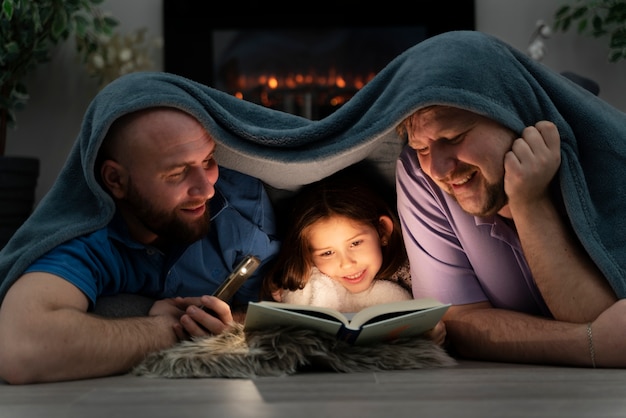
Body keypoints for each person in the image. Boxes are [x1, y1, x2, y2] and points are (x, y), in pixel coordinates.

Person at [0, 104, 281, 384]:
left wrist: (234, 321)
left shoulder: (242, 206)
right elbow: (21, 348)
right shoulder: (87, 239)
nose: (207, 189)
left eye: (208, 160)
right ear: (116, 180)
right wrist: (170, 331)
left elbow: (288, 302)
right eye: (176, 173)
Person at [394, 31, 626, 368]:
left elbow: (606, 318)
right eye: (421, 147)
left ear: (513, 116)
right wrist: (586, 345)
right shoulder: (419, 174)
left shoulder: (605, 166)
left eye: (455, 137)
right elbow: (456, 320)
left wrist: (529, 202)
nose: (439, 167)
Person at [262, 172, 446, 345]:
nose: (347, 263)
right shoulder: (308, 280)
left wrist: (432, 331)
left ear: (382, 231)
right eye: (327, 253)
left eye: (355, 243)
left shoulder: (415, 270)